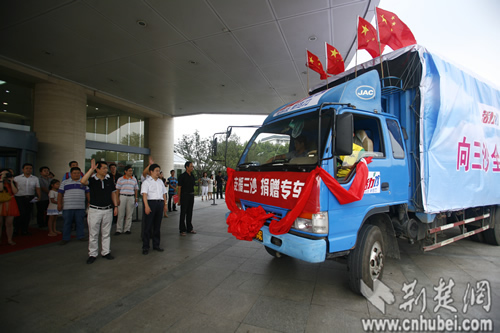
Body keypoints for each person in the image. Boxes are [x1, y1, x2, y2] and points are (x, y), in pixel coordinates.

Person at [81, 160, 118, 264]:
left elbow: (113, 193)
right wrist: (91, 170)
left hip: (108, 209)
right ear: (97, 169)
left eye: (107, 168)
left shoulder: (109, 179)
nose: (106, 170)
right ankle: (92, 254)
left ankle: (106, 252)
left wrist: (115, 206)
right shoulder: (92, 179)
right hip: (94, 210)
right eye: (104, 168)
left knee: (106, 233)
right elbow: (83, 181)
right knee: (93, 233)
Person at [141, 163, 167, 255]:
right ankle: (145, 246)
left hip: (159, 204)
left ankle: (156, 245)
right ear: (151, 172)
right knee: (148, 226)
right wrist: (146, 206)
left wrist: (165, 204)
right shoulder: (146, 182)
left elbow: (164, 193)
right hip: (150, 203)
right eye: (156, 171)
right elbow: (144, 195)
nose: (158, 172)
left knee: (157, 226)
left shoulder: (160, 182)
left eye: (159, 171)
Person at [58, 167, 89, 244]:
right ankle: (65, 238)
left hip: (80, 206)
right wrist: (59, 204)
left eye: (78, 173)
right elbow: (60, 194)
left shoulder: (84, 182)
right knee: (67, 223)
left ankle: (80, 236)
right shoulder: (65, 182)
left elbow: (88, 193)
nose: (76, 174)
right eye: (74, 173)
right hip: (67, 207)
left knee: (80, 222)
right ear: (71, 174)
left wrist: (89, 202)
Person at [13, 163, 41, 235]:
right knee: (20, 213)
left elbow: (37, 188)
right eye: (27, 168)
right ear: (23, 169)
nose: (28, 170)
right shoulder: (17, 178)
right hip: (19, 198)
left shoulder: (35, 178)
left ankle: (24, 230)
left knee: (27, 214)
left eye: (30, 168)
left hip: (30, 197)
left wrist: (39, 196)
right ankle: (16, 229)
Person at [115, 165, 139, 235]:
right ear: (125, 171)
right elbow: (117, 190)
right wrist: (117, 199)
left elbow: (136, 189)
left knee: (129, 214)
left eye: (131, 171)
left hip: (131, 197)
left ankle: (127, 229)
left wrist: (136, 198)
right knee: (121, 214)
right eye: (129, 171)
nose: (131, 172)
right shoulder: (120, 179)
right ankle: (119, 229)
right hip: (122, 196)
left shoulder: (134, 179)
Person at [0, 169, 19, 245]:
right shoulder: (0, 181)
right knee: (0, 222)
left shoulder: (14, 182)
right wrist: (1, 179)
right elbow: (0, 189)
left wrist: (11, 181)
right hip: (1, 202)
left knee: (9, 223)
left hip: (11, 202)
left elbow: (15, 192)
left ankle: (9, 239)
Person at [177, 161, 196, 236]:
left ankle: (189, 228)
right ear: (187, 167)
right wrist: (179, 199)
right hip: (184, 196)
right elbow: (179, 188)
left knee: (190, 212)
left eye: (192, 166)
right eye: (191, 166)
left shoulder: (192, 176)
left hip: (191, 195)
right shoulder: (182, 176)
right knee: (183, 212)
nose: (192, 168)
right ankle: (182, 229)